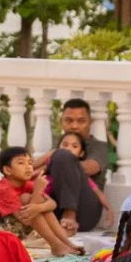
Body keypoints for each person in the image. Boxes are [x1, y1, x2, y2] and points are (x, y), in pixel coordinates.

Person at [0, 146, 80, 258]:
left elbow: (52, 204)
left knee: (37, 202)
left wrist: (39, 207)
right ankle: (56, 245)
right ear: (7, 170)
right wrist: (38, 192)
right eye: (21, 163)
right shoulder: (3, 189)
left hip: (18, 227)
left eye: (30, 163)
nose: (28, 167)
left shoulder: (26, 184)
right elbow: (26, 220)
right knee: (27, 198)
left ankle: (67, 243)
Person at [38, 99, 113, 234]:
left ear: (90, 122)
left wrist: (54, 162)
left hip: (85, 212)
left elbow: (91, 167)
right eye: (68, 120)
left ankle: (69, 213)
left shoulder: (98, 146)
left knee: (63, 156)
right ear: (62, 122)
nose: (74, 126)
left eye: (81, 121)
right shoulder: (61, 144)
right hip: (55, 208)